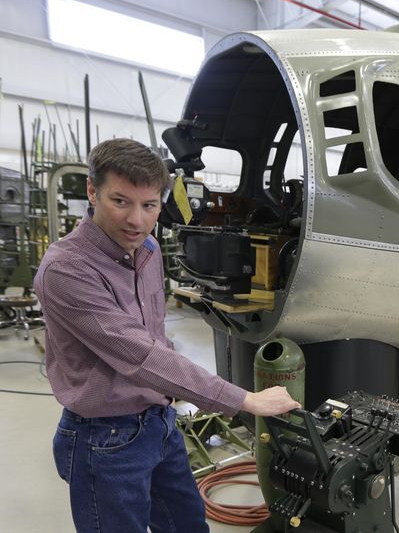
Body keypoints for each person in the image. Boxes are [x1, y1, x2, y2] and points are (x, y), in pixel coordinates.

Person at [34, 138, 300, 532]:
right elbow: (141, 354)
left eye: (149, 205)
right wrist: (243, 399)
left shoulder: (149, 249)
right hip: (105, 439)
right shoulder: (66, 270)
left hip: (160, 422)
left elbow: (155, 333)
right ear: (92, 191)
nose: (137, 221)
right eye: (120, 201)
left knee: (188, 526)